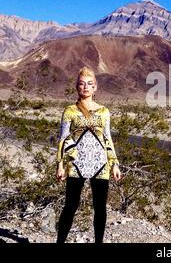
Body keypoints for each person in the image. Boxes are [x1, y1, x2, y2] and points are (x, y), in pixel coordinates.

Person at [55, 66, 121, 243]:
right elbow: (63, 139)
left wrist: (114, 163)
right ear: (77, 86)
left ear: (95, 87)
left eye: (90, 84)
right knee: (70, 206)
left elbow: (108, 138)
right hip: (76, 164)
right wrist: (60, 164)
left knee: (100, 208)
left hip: (101, 165)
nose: (85, 87)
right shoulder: (70, 111)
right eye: (82, 84)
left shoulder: (104, 112)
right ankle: (59, 241)